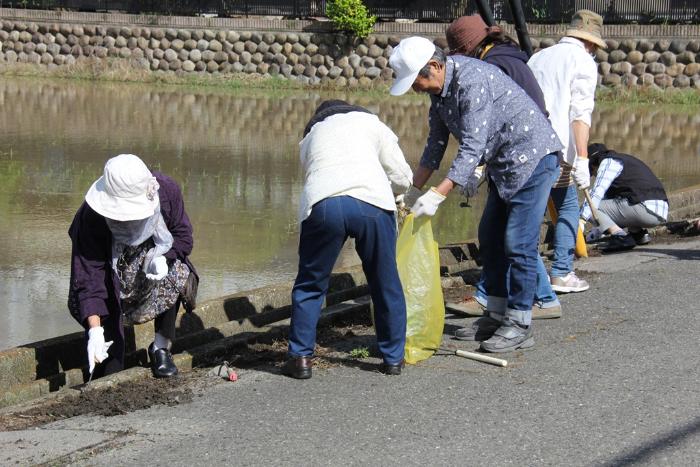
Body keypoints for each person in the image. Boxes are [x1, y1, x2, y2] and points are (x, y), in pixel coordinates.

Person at [389, 37, 562, 352]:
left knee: (518, 242)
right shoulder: (439, 93)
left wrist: (439, 193)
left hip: (534, 158)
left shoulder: (472, 80)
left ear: (436, 66)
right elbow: (436, 144)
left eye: (417, 81)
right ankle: (496, 316)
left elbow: (472, 145)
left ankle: (520, 324)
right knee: (491, 236)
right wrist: (413, 190)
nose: (416, 89)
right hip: (504, 164)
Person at [283, 100, 413, 379]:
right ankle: (392, 359)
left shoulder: (312, 135)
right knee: (385, 281)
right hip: (372, 204)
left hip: (324, 205)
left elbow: (313, 172)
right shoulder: (373, 124)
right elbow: (402, 175)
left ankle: (301, 358)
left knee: (310, 283)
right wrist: (397, 195)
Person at [444, 14, 561, 319]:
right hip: (514, 153)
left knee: (517, 238)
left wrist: (469, 170)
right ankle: (504, 301)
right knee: (496, 232)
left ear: (466, 49)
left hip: (524, 154)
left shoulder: (487, 67)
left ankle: (525, 309)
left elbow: (478, 130)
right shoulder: (509, 57)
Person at [68, 154, 196, 379]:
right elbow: (89, 279)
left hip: (149, 275)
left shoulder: (166, 191)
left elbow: (184, 237)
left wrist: (164, 258)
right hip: (111, 283)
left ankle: (160, 348)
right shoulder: (90, 218)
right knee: (109, 370)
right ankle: (104, 346)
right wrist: (95, 331)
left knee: (179, 269)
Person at [528, 9, 606, 293]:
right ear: (592, 43)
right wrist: (583, 159)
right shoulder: (584, 61)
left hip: (529, 147)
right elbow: (580, 115)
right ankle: (560, 273)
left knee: (531, 213)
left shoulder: (538, 56)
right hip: (560, 151)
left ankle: (533, 274)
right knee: (569, 208)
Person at [581, 143, 668, 251]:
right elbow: (608, 208)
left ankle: (620, 236)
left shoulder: (607, 163)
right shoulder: (622, 160)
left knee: (589, 205)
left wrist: (581, 220)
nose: (594, 175)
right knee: (616, 201)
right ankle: (638, 234)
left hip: (645, 209)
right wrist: (592, 236)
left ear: (593, 165)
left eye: (592, 172)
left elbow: (595, 195)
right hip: (660, 210)